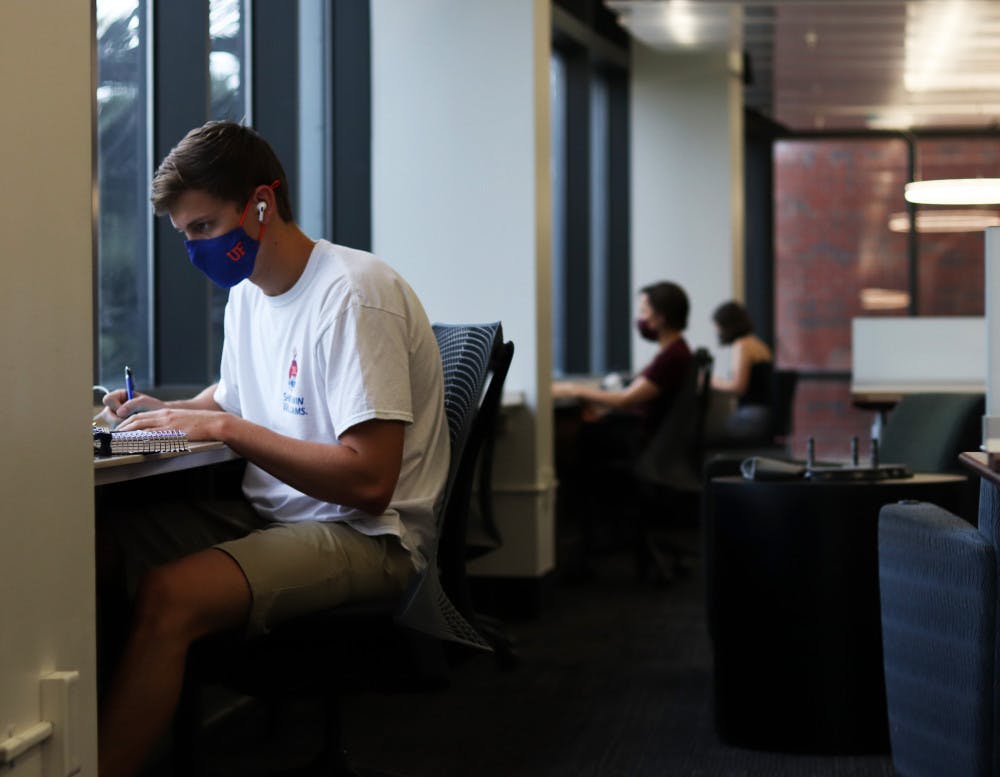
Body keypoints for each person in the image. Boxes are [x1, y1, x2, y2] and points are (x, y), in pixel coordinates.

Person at [95, 121, 449, 777]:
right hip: (276, 516)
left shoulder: (354, 293)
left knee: (170, 595)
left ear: (262, 203)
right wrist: (164, 412)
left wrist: (226, 430)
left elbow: (370, 482)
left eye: (204, 227)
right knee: (91, 547)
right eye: (186, 235)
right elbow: (233, 397)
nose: (196, 249)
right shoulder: (250, 296)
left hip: (369, 536)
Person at [552, 281, 693, 444]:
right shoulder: (675, 351)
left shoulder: (672, 356)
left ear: (660, 318)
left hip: (642, 438)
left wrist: (573, 389)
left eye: (643, 312)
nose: (640, 319)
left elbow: (625, 399)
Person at [710, 300, 774, 443]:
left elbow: (738, 387)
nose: (716, 331)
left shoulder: (742, 345)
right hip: (765, 416)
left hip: (751, 417)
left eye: (718, 326)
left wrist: (710, 381)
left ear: (727, 326)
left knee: (705, 431)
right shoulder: (758, 344)